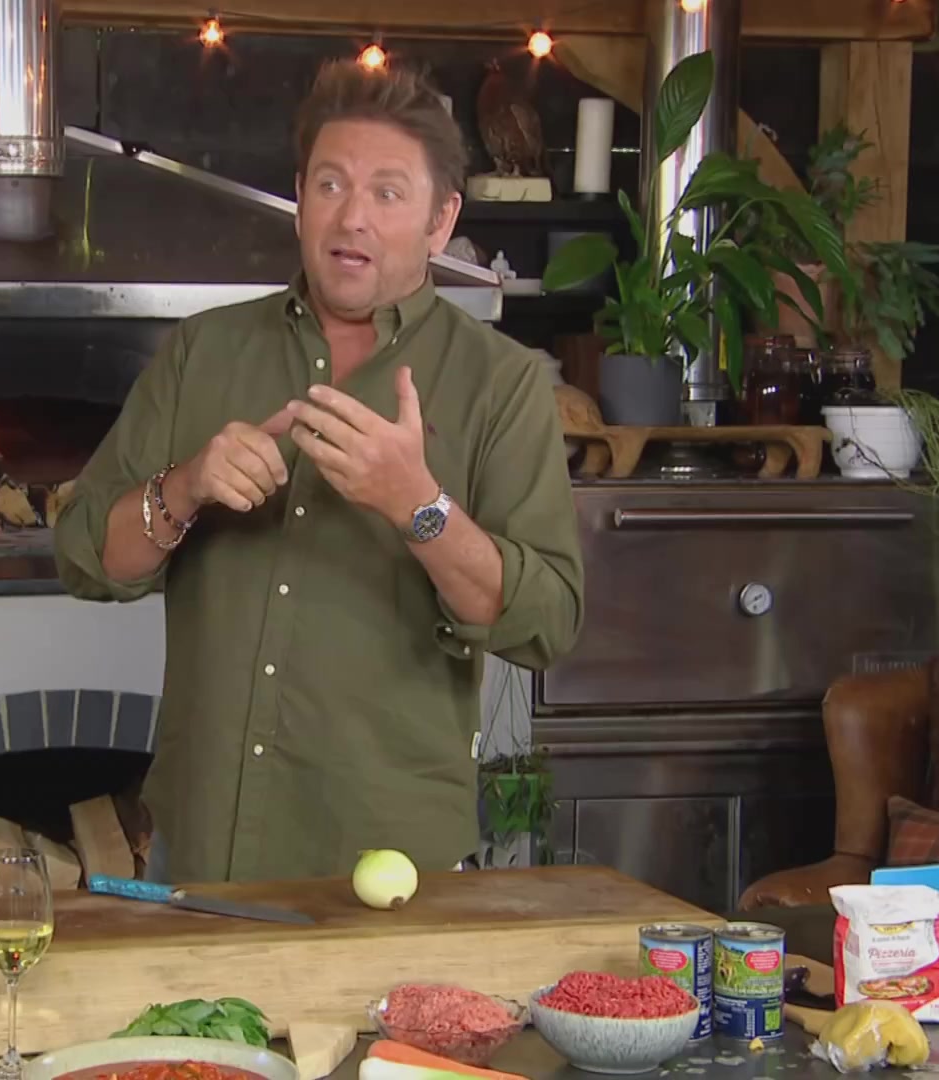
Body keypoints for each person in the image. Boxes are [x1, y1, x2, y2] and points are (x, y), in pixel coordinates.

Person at [53, 59, 583, 884]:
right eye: (331, 184)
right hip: (203, 846)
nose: (352, 217)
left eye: (388, 193)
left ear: (441, 220)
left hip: (390, 862)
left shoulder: (500, 382)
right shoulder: (205, 351)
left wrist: (419, 507)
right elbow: (86, 556)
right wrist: (187, 486)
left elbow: (546, 621)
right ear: (301, 196)